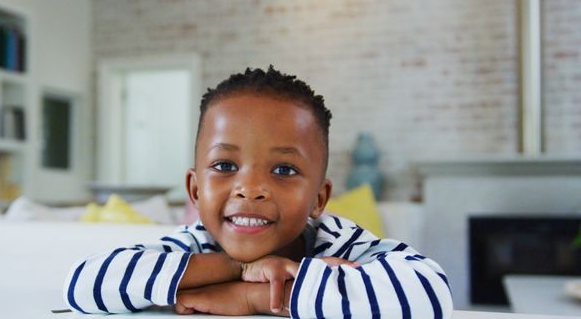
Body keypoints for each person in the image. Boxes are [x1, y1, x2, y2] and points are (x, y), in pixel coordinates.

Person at [63, 66, 453, 318]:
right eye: (225, 166)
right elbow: (84, 284)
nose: (250, 189)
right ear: (195, 191)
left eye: (284, 169)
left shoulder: (341, 244)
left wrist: (257, 298)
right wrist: (240, 271)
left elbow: (430, 294)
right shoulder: (194, 245)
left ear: (319, 199)